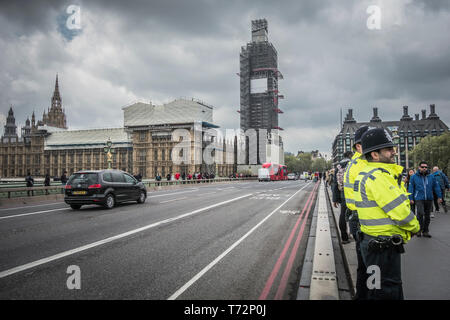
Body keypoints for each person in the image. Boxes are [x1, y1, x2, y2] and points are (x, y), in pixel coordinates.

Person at [354, 128, 420, 300]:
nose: (394, 152)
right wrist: (415, 227)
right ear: (375, 155)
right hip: (383, 248)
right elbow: (401, 213)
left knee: (375, 288)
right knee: (388, 291)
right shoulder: (379, 177)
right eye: (389, 149)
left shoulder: (365, 174)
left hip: (370, 242)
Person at [342, 125, 370, 300]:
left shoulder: (360, 163)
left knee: (364, 266)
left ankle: (362, 295)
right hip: (364, 221)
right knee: (370, 267)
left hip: (359, 219)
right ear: (358, 147)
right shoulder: (362, 165)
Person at [408, 161, 442, 237]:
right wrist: (411, 198)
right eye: (422, 167)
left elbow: (436, 187)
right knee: (420, 213)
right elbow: (411, 188)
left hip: (429, 198)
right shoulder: (413, 177)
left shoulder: (431, 176)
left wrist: (439, 196)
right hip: (419, 198)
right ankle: (419, 230)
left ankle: (425, 231)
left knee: (427, 215)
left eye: (426, 167)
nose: (424, 168)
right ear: (419, 167)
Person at [333, 151, 353, 245]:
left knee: (343, 214)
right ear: (350, 156)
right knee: (356, 214)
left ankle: (344, 237)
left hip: (343, 192)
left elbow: (335, 183)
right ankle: (354, 234)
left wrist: (335, 199)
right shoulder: (353, 163)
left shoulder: (338, 166)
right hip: (354, 192)